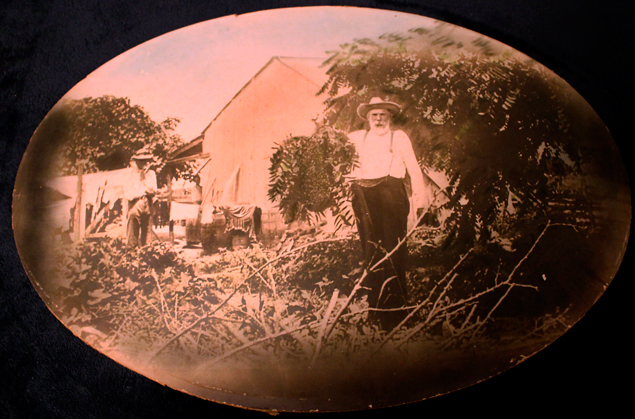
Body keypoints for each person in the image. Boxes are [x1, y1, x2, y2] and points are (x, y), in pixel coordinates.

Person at [347, 97, 427, 330]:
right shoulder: (356, 138)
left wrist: (420, 198)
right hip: (364, 198)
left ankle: (397, 310)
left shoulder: (399, 137)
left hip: (392, 197)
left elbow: (413, 167)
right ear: (368, 118)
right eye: (374, 115)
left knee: (394, 248)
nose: (379, 119)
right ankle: (375, 310)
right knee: (370, 250)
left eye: (383, 115)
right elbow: (335, 155)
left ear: (390, 117)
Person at [124, 147, 157, 246]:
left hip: (148, 204)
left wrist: (144, 183)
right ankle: (131, 256)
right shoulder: (130, 174)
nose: (144, 164)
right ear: (136, 161)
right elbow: (128, 193)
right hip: (135, 204)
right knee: (132, 234)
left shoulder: (151, 174)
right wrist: (141, 191)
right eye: (141, 161)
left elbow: (153, 190)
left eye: (146, 161)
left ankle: (145, 255)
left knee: (147, 234)